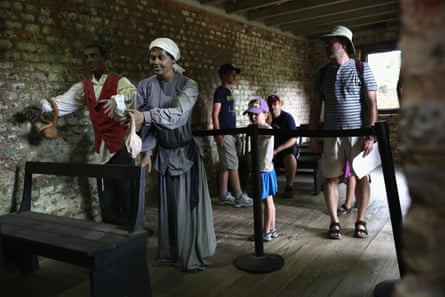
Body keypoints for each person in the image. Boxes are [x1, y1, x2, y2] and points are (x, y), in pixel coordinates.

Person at [127, 37, 216, 272]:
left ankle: (191, 256)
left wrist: (145, 117)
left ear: (173, 59)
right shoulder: (146, 85)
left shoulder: (189, 85)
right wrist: (147, 151)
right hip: (164, 154)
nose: (155, 61)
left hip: (185, 155)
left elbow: (177, 116)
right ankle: (170, 253)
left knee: (186, 207)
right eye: (152, 57)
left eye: (161, 57)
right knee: (168, 208)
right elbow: (146, 124)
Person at [24, 43, 137, 225]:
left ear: (104, 58)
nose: (90, 60)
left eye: (94, 56)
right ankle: (110, 234)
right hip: (102, 148)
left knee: (127, 192)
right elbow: (66, 101)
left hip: (121, 145)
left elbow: (131, 97)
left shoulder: (119, 83)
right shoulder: (84, 87)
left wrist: (118, 101)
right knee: (106, 195)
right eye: (87, 57)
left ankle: (133, 233)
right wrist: (42, 106)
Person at [308, 25, 378, 239]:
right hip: (331, 134)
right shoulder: (321, 74)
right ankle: (334, 222)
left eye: (330, 42)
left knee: (362, 176)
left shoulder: (361, 68)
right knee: (330, 178)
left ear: (344, 45)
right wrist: (313, 135)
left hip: (357, 133)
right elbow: (315, 107)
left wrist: (370, 135)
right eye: (325, 42)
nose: (326, 46)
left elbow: (373, 103)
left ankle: (360, 220)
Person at [212, 63, 253, 207]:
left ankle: (223, 195)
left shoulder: (228, 92)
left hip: (230, 133)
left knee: (225, 164)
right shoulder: (220, 92)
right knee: (233, 164)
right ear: (223, 75)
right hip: (224, 133)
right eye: (231, 73)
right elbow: (215, 114)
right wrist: (218, 134)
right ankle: (239, 195)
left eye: (235, 74)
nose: (234, 76)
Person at [244, 98, 279, 242]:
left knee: (267, 202)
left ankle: (265, 232)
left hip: (265, 171)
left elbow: (268, 133)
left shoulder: (266, 129)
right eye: (250, 114)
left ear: (265, 113)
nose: (253, 117)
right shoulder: (256, 129)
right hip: (263, 169)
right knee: (269, 201)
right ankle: (271, 228)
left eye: (256, 114)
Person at [266, 95, 299, 199]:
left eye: (275, 104)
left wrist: (277, 150)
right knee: (252, 156)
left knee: (290, 158)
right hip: (271, 148)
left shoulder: (287, 118)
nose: (272, 107)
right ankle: (261, 185)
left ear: (280, 104)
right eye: (270, 104)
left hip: (286, 149)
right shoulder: (267, 118)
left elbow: (293, 139)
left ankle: (289, 186)